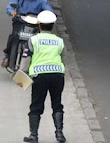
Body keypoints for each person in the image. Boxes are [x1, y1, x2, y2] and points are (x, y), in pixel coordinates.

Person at [18, 10, 67, 143]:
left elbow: (25, 62)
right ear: (53, 26)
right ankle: (59, 134)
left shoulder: (32, 40)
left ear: (39, 25)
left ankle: (34, 136)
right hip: (57, 75)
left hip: (40, 76)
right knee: (57, 104)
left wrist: (21, 78)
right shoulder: (59, 41)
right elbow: (63, 59)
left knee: (36, 105)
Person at [1, 0, 53, 68]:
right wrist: (12, 11)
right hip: (20, 22)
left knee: (38, 41)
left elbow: (48, 9)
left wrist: (47, 14)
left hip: (35, 24)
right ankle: (7, 56)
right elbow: (9, 6)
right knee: (13, 37)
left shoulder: (41, 0)